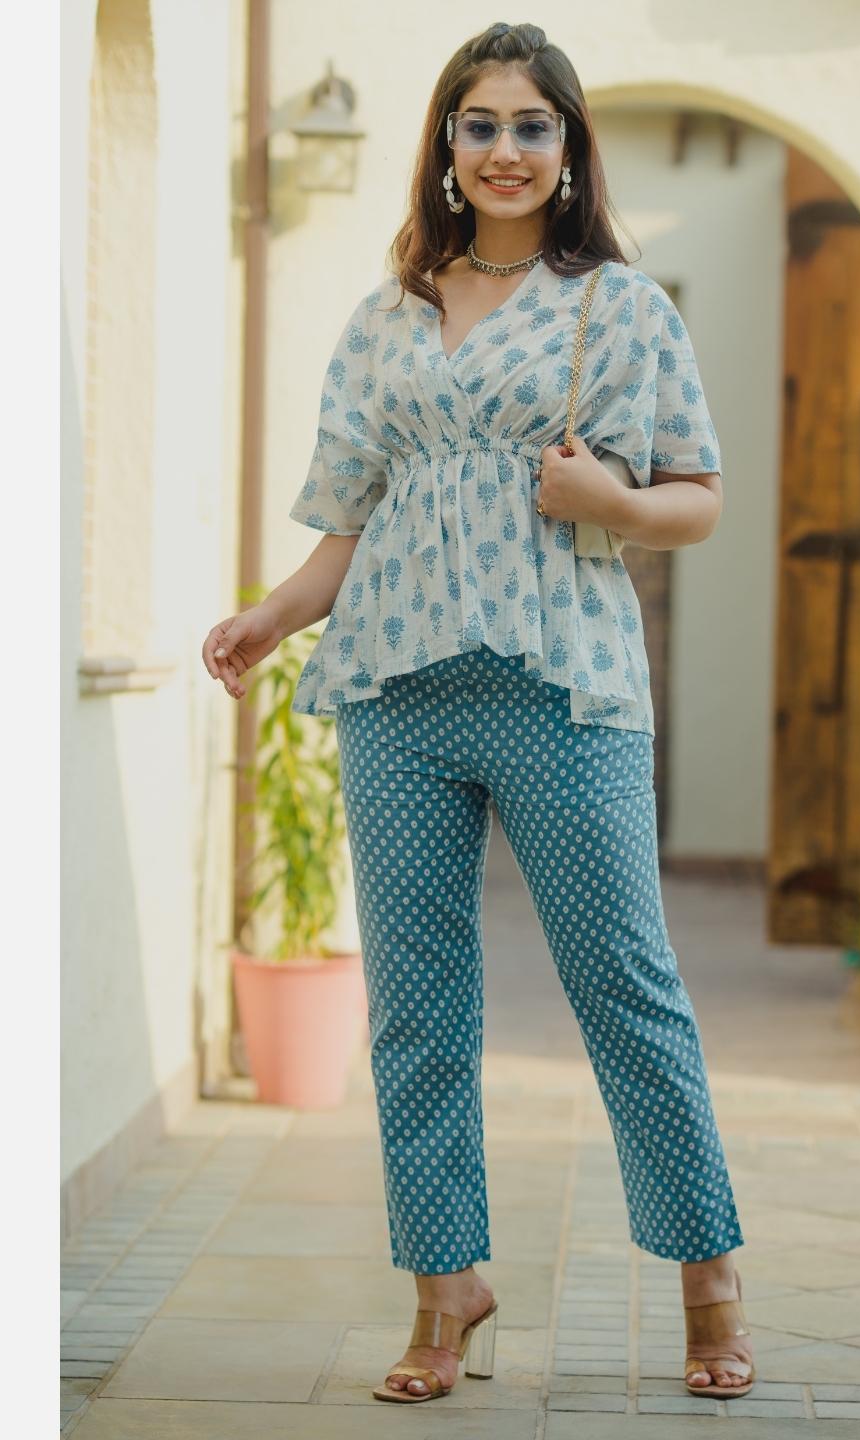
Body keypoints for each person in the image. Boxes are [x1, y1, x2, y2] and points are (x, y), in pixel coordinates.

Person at [202, 20, 755, 1409]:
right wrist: (273, 615)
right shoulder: (384, 316)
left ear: (569, 148)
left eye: (531, 125)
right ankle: (445, 1289)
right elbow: (350, 522)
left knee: (626, 985)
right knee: (416, 1007)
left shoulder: (621, 308)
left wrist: (612, 501)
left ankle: (709, 1276)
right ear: (447, 146)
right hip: (395, 691)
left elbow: (698, 498)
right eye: (481, 124)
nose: (506, 150)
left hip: (564, 686)